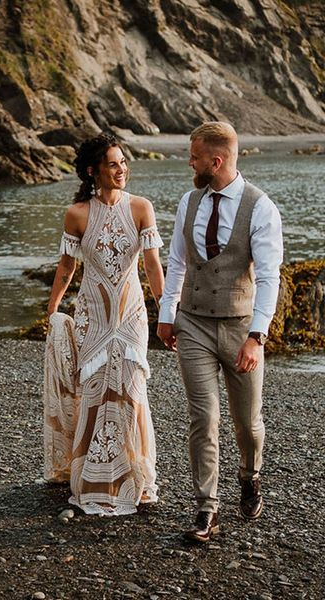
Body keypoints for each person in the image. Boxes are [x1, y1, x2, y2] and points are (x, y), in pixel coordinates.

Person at [157, 122, 283, 542]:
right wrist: (167, 313)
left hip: (239, 328)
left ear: (216, 160)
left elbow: (269, 278)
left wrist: (257, 336)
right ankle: (206, 509)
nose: (188, 163)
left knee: (247, 424)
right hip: (192, 323)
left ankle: (250, 476)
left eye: (193, 157)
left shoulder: (260, 208)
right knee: (203, 418)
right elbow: (176, 262)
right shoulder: (188, 202)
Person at [44, 133, 165, 516]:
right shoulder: (77, 213)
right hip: (92, 317)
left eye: (124, 162)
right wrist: (52, 312)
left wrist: (167, 310)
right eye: (113, 164)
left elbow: (151, 265)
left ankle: (135, 480)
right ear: (94, 170)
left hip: (130, 317)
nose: (122, 170)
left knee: (130, 389)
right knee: (94, 391)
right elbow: (67, 267)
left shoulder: (141, 208)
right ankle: (93, 479)